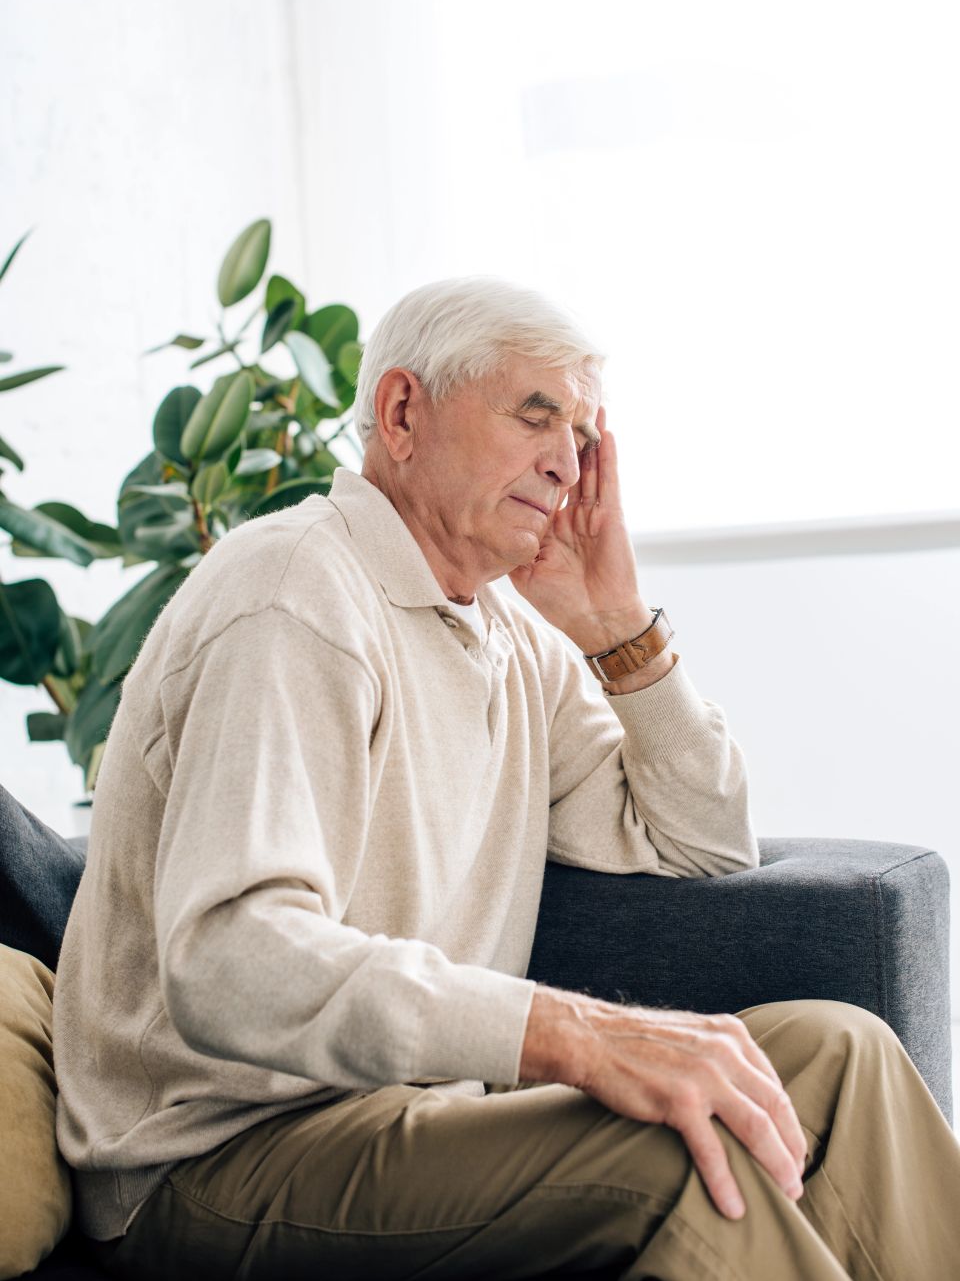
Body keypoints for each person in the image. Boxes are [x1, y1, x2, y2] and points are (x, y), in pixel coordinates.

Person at [55, 277, 960, 1280]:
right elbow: (229, 956)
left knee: (840, 1058)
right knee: (684, 1158)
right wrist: (572, 1034)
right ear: (403, 413)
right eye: (537, 415)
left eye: (581, 432)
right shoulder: (294, 591)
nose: (568, 462)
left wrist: (619, 633)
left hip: (407, 1122)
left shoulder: (508, 637)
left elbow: (698, 841)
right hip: (211, 1160)